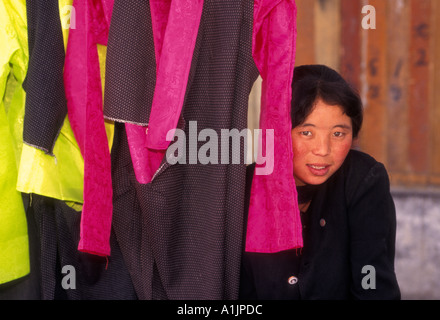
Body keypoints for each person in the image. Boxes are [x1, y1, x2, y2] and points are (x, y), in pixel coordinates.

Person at [239, 64, 401, 300]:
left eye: (338, 134)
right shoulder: (245, 189)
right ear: (277, 132)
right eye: (307, 132)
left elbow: (373, 284)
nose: (323, 150)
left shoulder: (363, 180)